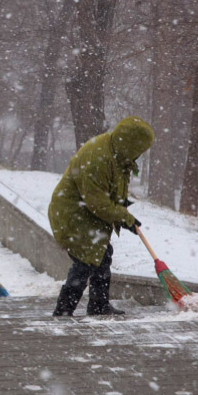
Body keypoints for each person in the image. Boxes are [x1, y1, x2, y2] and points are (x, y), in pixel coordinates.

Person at [48, 116, 155, 317]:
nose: (140, 155)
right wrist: (124, 217)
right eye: (140, 150)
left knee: (102, 256)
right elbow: (97, 202)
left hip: (88, 215)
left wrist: (122, 212)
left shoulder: (117, 153)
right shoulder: (98, 157)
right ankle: (63, 310)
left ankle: (99, 305)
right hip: (74, 215)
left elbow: (110, 191)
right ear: (131, 144)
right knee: (85, 261)